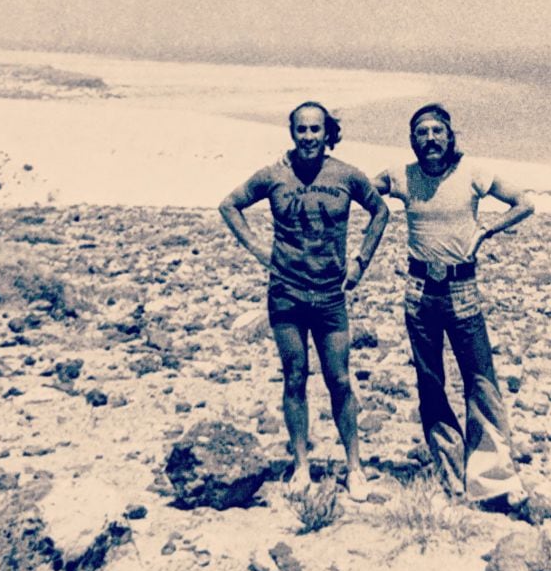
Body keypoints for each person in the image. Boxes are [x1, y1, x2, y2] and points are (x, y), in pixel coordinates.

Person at [219, 102, 388, 500]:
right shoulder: (274, 175)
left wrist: (360, 263)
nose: (308, 136)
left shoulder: (346, 175)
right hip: (286, 293)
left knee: (340, 380)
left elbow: (380, 212)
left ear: (328, 133)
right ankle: (301, 466)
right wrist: (261, 252)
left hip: (330, 295)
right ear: (291, 132)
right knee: (294, 376)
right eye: (302, 129)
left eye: (316, 129)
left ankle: (354, 467)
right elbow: (229, 205)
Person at [373, 103, 534, 508]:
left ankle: (491, 479)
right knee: (431, 384)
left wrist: (487, 231)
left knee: (481, 381)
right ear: (413, 141)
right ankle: (451, 475)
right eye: (421, 132)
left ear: (449, 136)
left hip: (464, 290)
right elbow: (360, 189)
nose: (430, 139)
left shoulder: (473, 173)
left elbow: (524, 202)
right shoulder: (401, 176)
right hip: (418, 289)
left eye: (436, 132)